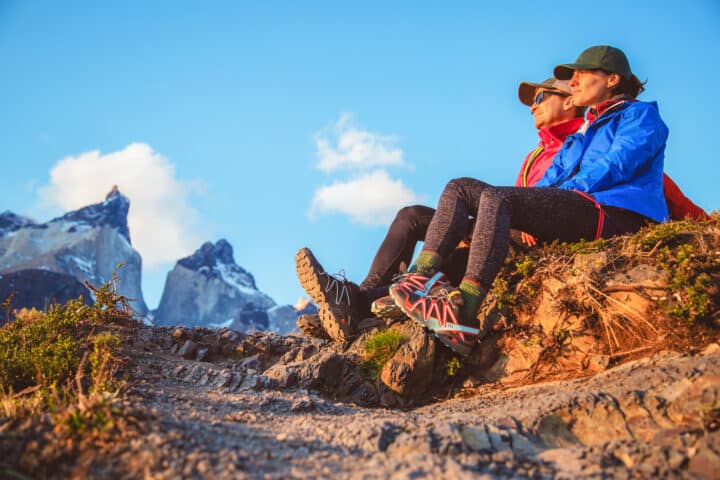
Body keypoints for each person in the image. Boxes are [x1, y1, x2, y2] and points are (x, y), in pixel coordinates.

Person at [389, 45, 671, 356]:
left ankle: (464, 311)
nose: (573, 82)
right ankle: (418, 280)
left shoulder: (640, 115)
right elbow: (549, 180)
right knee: (461, 188)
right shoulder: (582, 133)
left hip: (613, 213)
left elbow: (617, 165)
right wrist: (532, 208)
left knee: (498, 198)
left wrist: (545, 201)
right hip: (579, 205)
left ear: (613, 79)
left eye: (581, 74)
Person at [296, 76, 586, 341]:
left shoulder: (581, 143)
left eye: (539, 98)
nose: (532, 107)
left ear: (570, 100)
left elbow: (571, 198)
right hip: (501, 222)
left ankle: (352, 305)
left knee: (452, 256)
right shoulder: (535, 155)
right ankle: (354, 299)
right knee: (410, 216)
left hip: (528, 234)